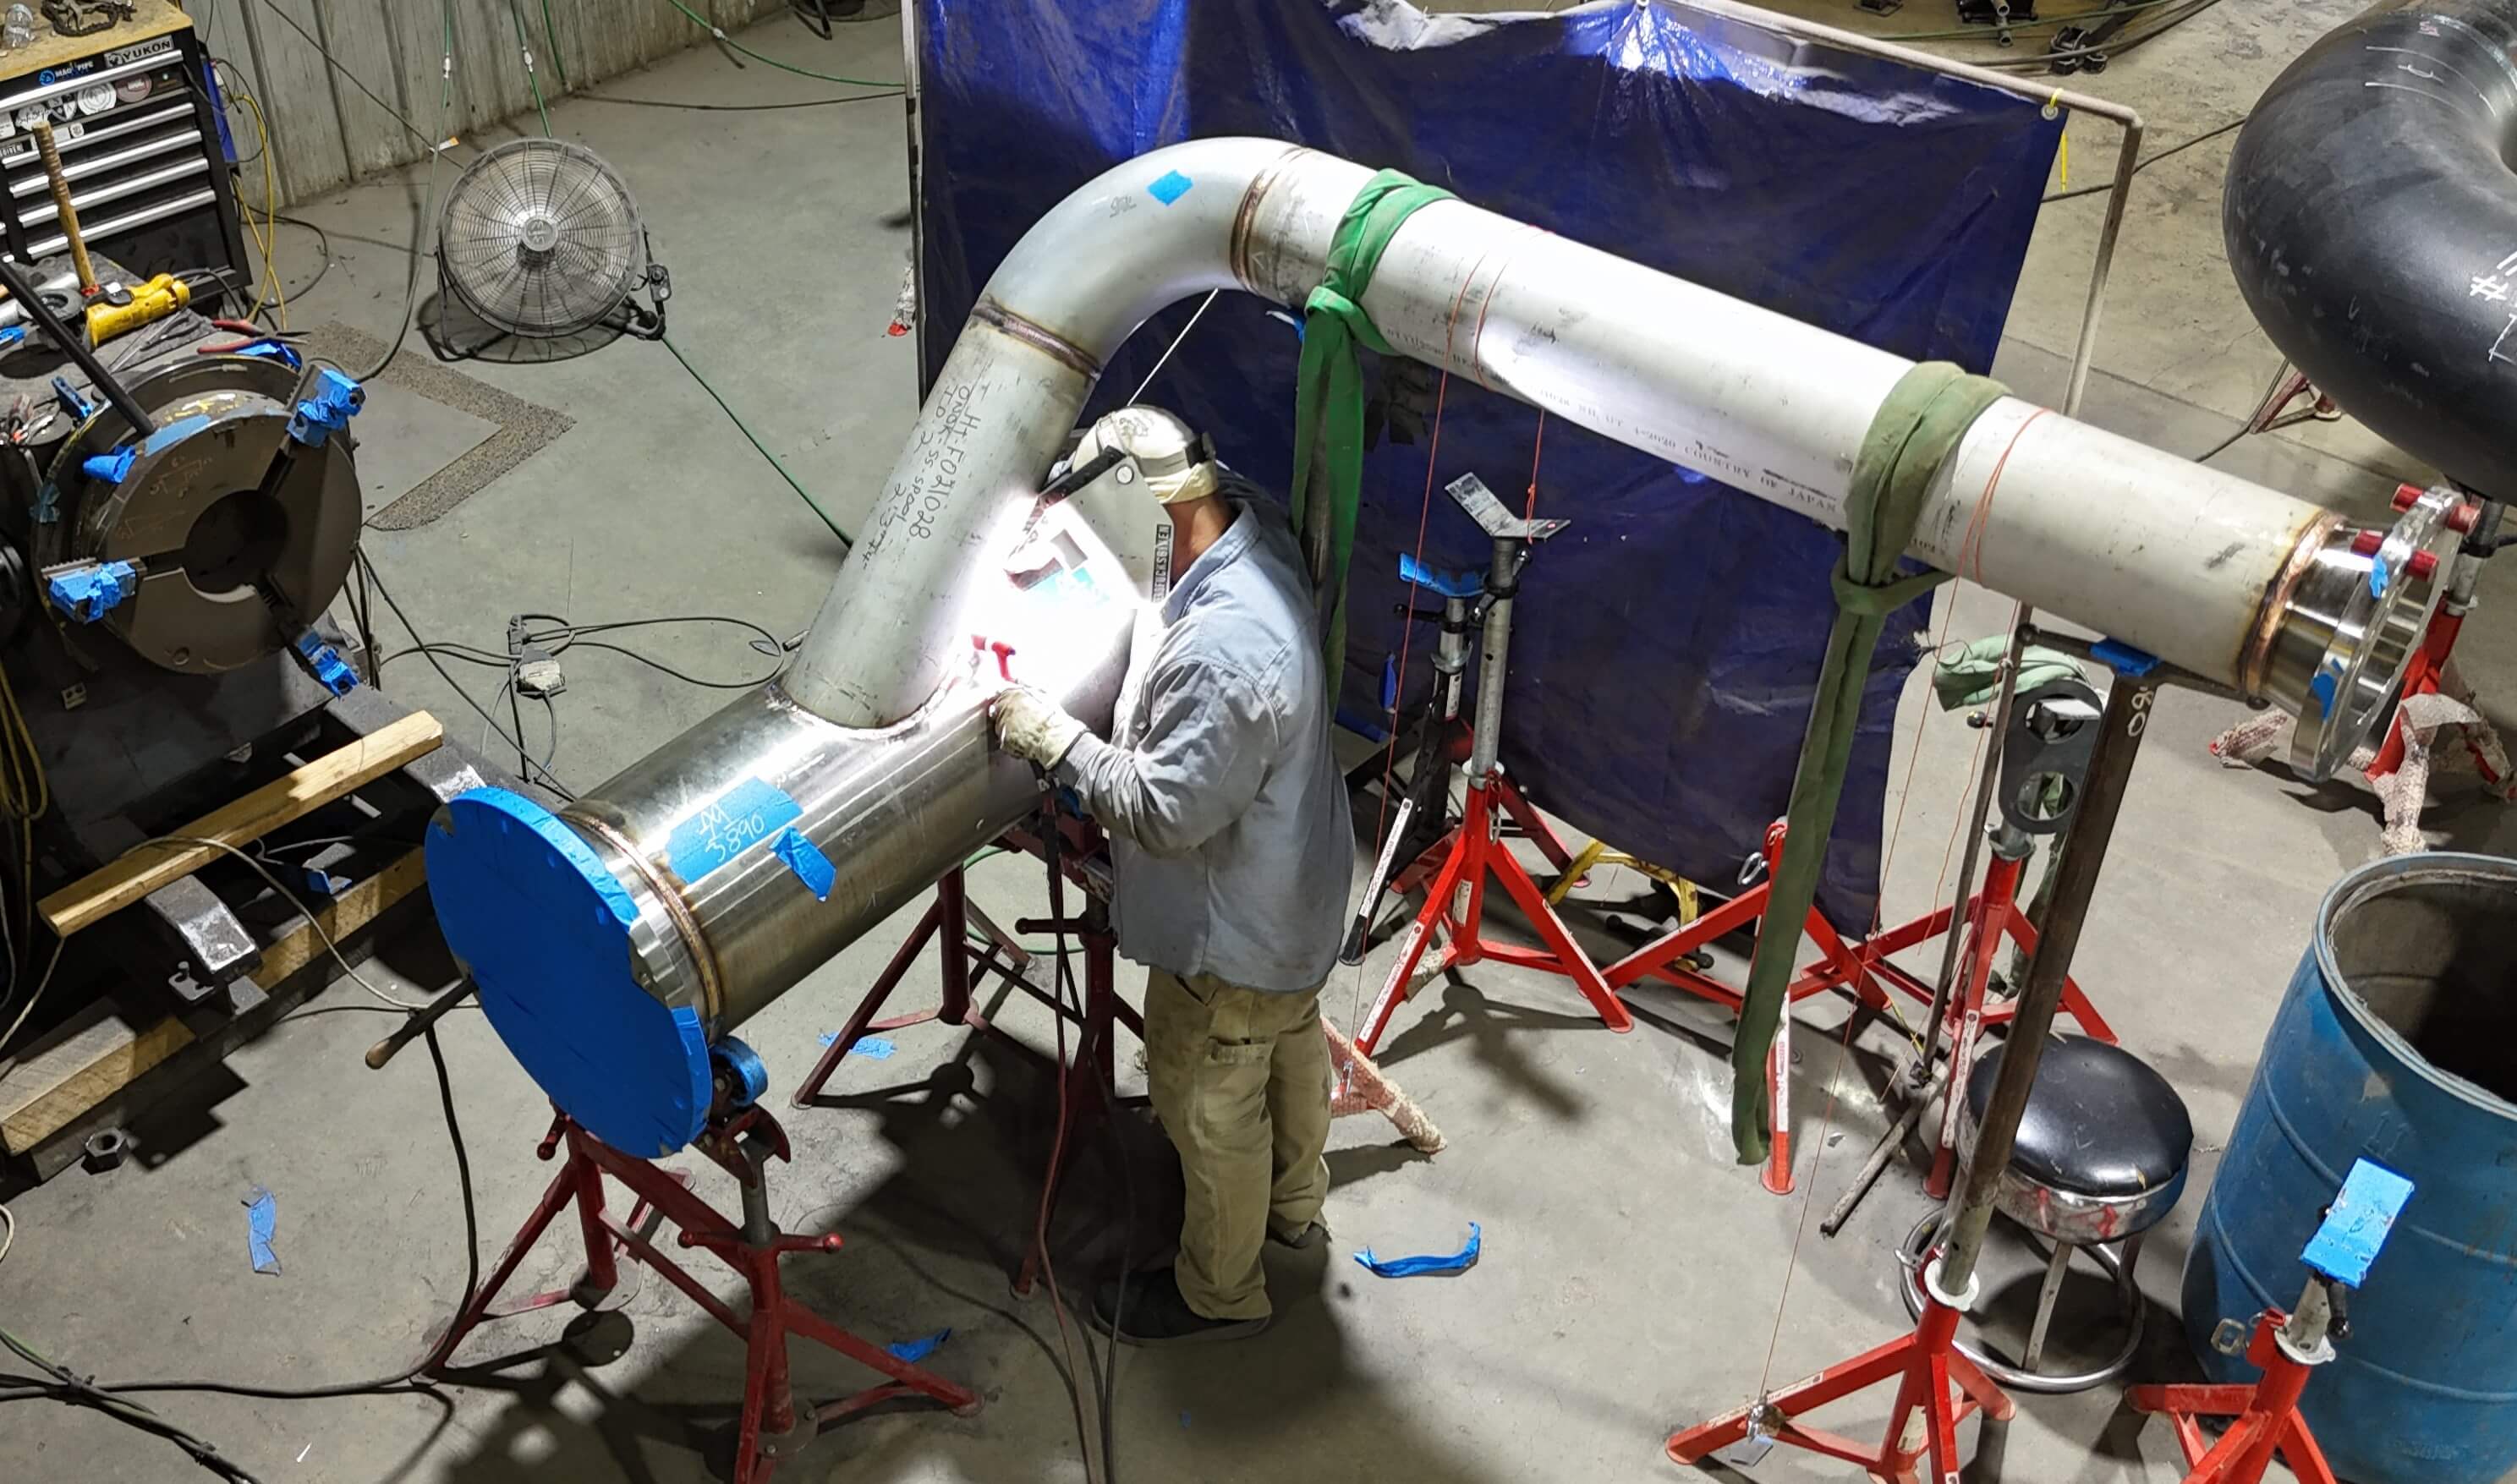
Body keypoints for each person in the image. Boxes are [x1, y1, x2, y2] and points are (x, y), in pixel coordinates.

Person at [993, 407, 1354, 1346]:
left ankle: (1220, 1290)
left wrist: (1059, 741)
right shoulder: (1251, 524)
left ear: (1144, 508)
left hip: (1229, 936)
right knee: (1287, 1048)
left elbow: (1162, 812)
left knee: (1210, 1101)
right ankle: (1294, 1207)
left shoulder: (1225, 655)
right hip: (1301, 893)